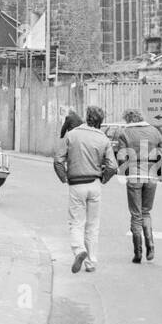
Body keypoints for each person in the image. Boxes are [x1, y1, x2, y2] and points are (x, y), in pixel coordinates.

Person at [54, 104, 117, 273]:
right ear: (101, 121)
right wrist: (103, 179)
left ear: (86, 116)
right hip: (94, 184)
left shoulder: (72, 135)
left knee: (76, 222)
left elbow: (58, 160)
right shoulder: (104, 139)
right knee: (93, 225)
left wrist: (64, 177)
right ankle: (91, 262)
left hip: (76, 184)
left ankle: (78, 250)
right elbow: (112, 166)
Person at [114, 109, 162, 263]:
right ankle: (150, 244)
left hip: (134, 176)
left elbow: (121, 157)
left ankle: (138, 253)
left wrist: (125, 172)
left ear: (128, 119)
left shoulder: (125, 133)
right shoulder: (155, 131)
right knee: (146, 212)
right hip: (151, 176)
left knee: (136, 215)